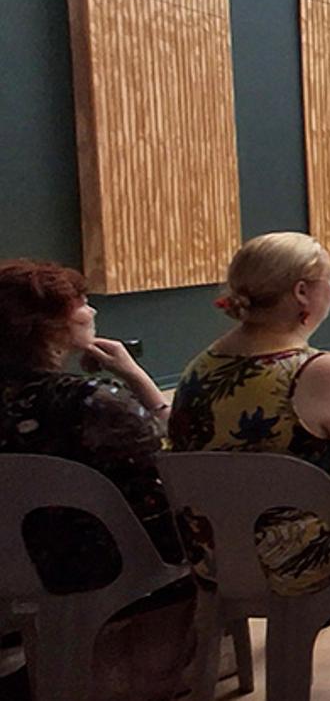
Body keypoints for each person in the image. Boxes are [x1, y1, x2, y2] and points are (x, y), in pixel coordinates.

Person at [0, 260, 194, 699]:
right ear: (48, 326)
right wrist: (136, 379)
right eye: (82, 303)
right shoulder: (91, 401)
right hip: (100, 563)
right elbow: (175, 460)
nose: (91, 311)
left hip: (13, 564)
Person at [168, 232, 330, 595]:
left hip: (216, 556)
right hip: (296, 561)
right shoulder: (319, 374)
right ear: (302, 292)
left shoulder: (200, 367)